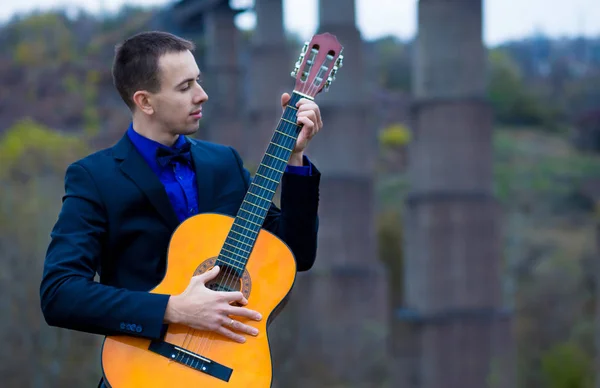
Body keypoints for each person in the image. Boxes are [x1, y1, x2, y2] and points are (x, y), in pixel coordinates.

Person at [39, 31, 322, 386]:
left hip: (228, 372)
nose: (202, 95)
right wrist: (173, 308)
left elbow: (295, 254)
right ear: (145, 101)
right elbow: (59, 294)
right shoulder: (94, 178)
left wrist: (295, 159)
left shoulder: (225, 163)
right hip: (140, 372)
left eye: (198, 81)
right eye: (185, 86)